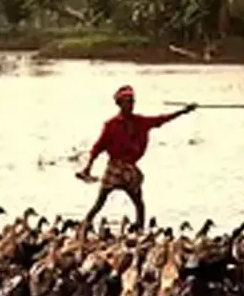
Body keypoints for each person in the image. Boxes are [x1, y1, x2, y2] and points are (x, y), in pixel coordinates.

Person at [77, 85, 193, 228]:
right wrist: (88, 167)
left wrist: (183, 111)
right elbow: (98, 147)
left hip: (130, 169)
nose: (131, 105)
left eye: (132, 101)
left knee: (139, 202)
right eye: (128, 101)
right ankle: (85, 224)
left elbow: (161, 119)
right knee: (100, 201)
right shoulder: (111, 125)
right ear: (120, 104)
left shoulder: (140, 121)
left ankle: (140, 227)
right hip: (115, 167)